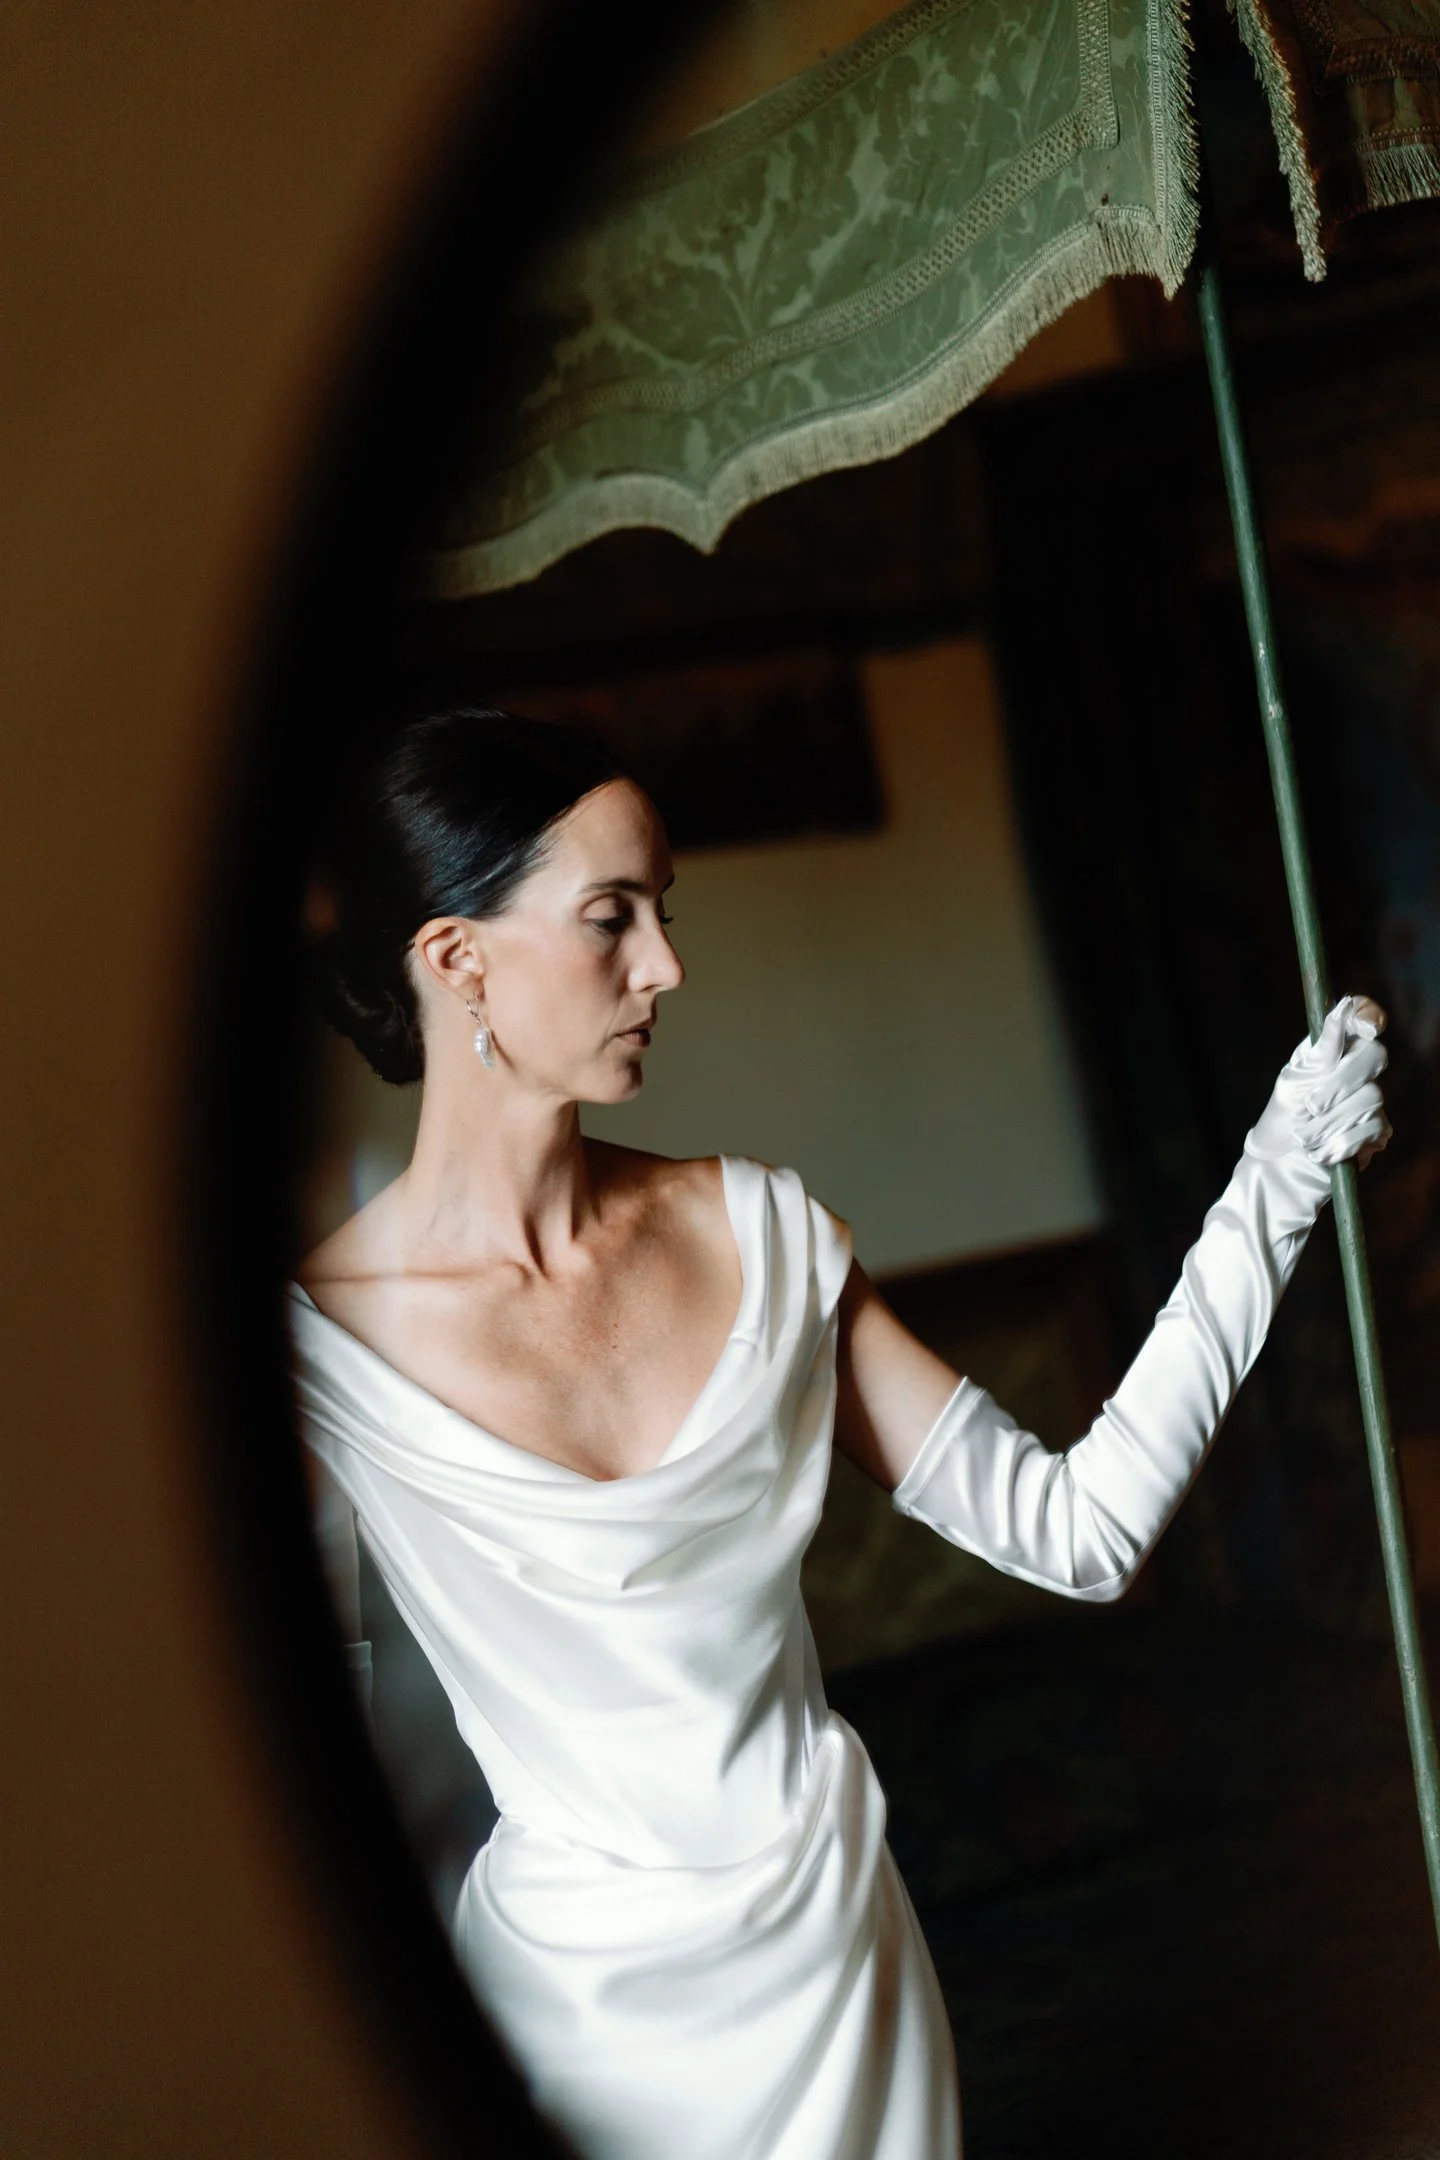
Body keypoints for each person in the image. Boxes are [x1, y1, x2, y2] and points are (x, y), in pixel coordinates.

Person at [290, 706, 1391, 2160]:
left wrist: (1279, 1173)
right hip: (562, 2029)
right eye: (612, 918)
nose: (667, 964)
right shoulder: (323, 1355)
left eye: (663, 914)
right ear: (455, 957)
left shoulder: (759, 1234)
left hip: (834, 1982)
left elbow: (1081, 1534)